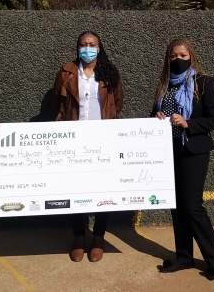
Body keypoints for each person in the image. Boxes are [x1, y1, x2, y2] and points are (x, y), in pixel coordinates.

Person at [153, 38, 214, 281]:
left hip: (194, 151)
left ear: (191, 56)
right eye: (173, 56)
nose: (178, 60)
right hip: (169, 151)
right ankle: (184, 256)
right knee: (177, 206)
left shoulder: (204, 83)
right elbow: (155, 114)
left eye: (182, 55)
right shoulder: (164, 85)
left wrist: (188, 123)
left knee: (192, 206)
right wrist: (157, 115)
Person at [53, 31, 123, 263]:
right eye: (83, 44)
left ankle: (99, 238)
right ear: (77, 47)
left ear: (100, 47)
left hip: (104, 139)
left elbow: (118, 103)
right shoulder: (66, 73)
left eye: (92, 44)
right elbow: (60, 104)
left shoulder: (110, 74)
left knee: (104, 192)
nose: (87, 48)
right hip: (75, 140)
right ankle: (78, 238)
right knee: (76, 190)